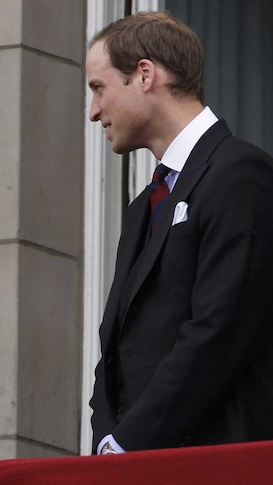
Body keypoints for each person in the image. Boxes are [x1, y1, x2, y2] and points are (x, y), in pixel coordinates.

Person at [86, 11, 273, 455]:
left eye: (99, 88)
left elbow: (218, 332)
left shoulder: (240, 175)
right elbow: (114, 354)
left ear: (145, 75)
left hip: (217, 462)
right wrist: (106, 448)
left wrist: (127, 444)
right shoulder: (141, 209)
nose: (94, 112)